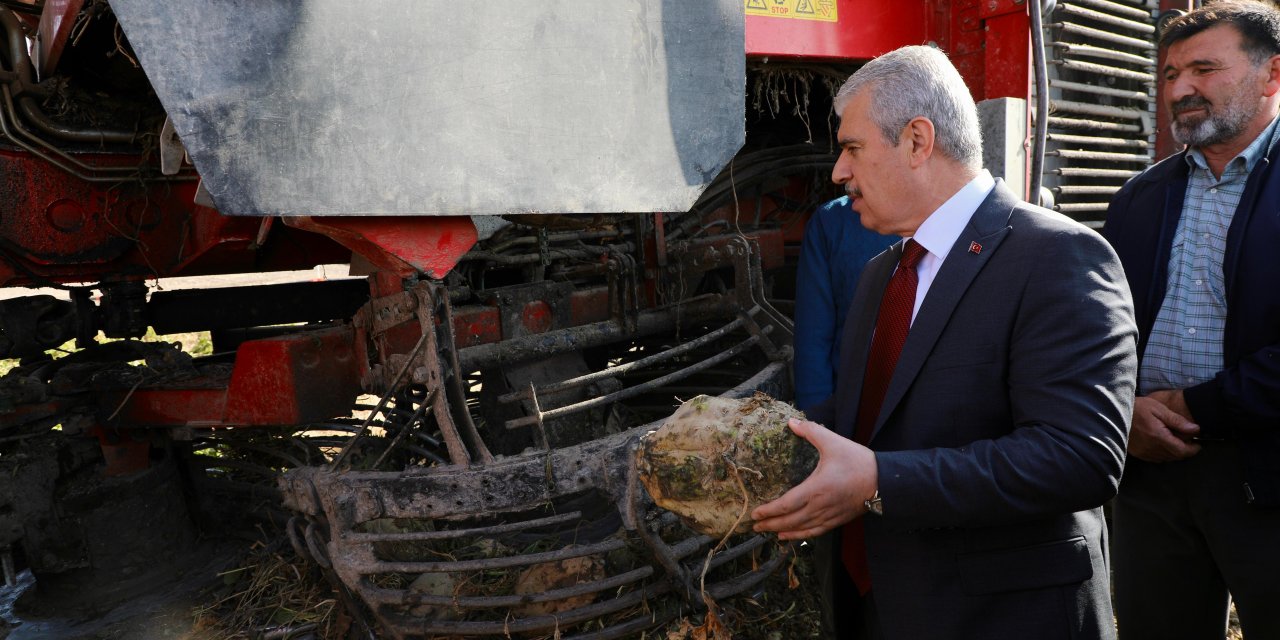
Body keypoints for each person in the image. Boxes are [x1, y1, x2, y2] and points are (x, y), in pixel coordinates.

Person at [751, 45, 1138, 639]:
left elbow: (1079, 458)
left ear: (916, 140)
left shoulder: (1060, 256)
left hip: (1002, 618)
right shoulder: (884, 271)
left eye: (852, 149)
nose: (838, 173)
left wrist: (881, 481)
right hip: (879, 605)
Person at [1101, 2, 1280, 638]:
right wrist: (1125, 414)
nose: (1180, 89)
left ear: (1271, 75)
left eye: (1204, 69)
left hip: (1267, 474)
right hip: (1152, 473)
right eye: (1171, 73)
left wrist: (1196, 405)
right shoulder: (1141, 196)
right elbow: (1100, 334)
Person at [794, 197, 897, 412]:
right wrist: (816, 424)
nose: (838, 173)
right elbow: (813, 338)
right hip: (854, 415)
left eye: (855, 159)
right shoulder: (832, 221)